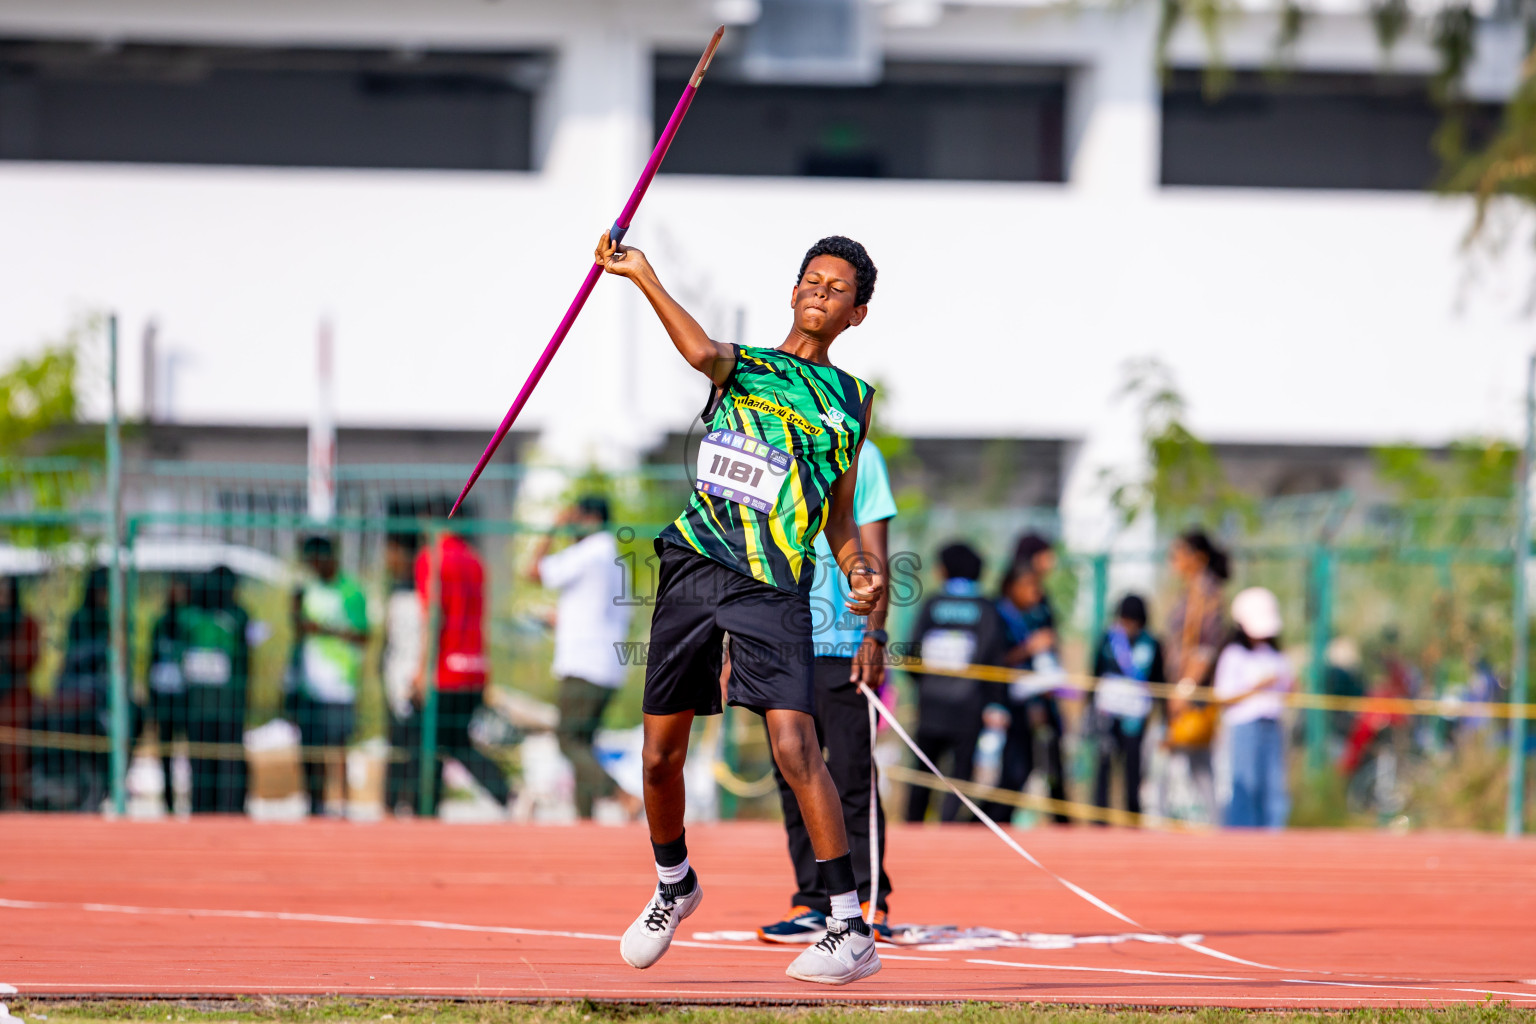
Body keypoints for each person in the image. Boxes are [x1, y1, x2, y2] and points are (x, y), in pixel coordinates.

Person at [594, 230, 886, 985]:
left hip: (771, 583)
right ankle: (673, 883)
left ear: (857, 314)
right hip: (695, 565)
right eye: (812, 281)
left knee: (796, 747)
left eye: (839, 288)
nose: (822, 291)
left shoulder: (851, 403)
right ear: (793, 292)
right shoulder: (747, 366)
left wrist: (859, 571)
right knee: (660, 757)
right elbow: (699, 354)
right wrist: (645, 278)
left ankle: (849, 926)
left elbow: (840, 516)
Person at [758, 440, 897, 944]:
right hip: (777, 639)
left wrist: (874, 635)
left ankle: (868, 897)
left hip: (842, 642)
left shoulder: (863, 455)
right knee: (791, 771)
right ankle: (813, 902)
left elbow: (875, 553)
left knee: (852, 774)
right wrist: (735, 645)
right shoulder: (767, 447)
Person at [528, 495, 636, 820]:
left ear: (589, 519)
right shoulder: (613, 557)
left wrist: (551, 529)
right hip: (607, 663)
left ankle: (621, 795)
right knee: (583, 743)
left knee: (567, 739)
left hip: (584, 664)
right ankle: (584, 819)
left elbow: (532, 571)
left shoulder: (589, 552)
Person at [408, 510, 512, 814]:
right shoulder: (475, 561)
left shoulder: (433, 557)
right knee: (454, 742)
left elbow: (434, 616)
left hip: (444, 670)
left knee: (422, 740)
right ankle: (507, 793)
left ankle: (420, 808)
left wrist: (421, 671)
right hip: (474, 667)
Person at [904, 542, 1009, 824]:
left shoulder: (933, 604)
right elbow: (994, 657)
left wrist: (924, 684)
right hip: (969, 704)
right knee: (960, 774)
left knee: (922, 771)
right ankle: (947, 827)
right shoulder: (986, 609)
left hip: (931, 703)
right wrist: (996, 701)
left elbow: (910, 652)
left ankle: (911, 827)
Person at [987, 562, 1069, 824]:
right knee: (1013, 771)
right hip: (1003, 705)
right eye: (1030, 586)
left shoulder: (1036, 616)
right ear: (1012, 587)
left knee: (1039, 767)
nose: (1037, 592)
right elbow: (993, 660)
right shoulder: (997, 615)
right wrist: (1029, 648)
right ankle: (984, 822)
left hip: (1034, 702)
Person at [294, 535, 368, 817]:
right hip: (309, 684)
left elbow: (363, 635)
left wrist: (324, 630)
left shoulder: (351, 591)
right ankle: (314, 805)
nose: (311, 566)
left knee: (338, 747)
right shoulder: (306, 590)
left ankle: (344, 804)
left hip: (340, 684)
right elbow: (299, 631)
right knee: (310, 749)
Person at [1160, 527, 1228, 822]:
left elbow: (1204, 650)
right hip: (1179, 688)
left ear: (1197, 558)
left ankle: (1209, 830)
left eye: (1178, 553)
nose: (1173, 559)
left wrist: (1184, 691)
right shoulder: (1192, 590)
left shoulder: (1205, 594)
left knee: (1183, 763)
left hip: (1190, 692)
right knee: (1193, 767)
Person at [1214, 587, 1293, 828]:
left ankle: (1272, 836)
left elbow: (1288, 691)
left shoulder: (1276, 656)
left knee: (1273, 785)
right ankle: (1241, 838)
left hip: (1272, 724)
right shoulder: (1233, 655)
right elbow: (1223, 696)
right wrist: (1257, 686)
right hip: (1244, 726)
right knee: (1245, 783)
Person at [1087, 594, 1164, 820]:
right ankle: (1099, 818)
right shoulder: (1107, 640)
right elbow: (1094, 673)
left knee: (1133, 769)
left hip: (1136, 717)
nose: (1128, 626)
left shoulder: (1152, 644)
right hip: (1107, 714)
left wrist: (1163, 717)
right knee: (1104, 766)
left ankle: (1133, 817)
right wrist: (1088, 710)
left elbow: (1159, 680)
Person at [181, 567, 250, 813]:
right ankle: (201, 810)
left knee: (230, 763)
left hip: (229, 706)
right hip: (199, 707)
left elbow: (245, 658)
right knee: (201, 763)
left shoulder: (239, 616)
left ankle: (232, 810)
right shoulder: (189, 617)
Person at [382, 530, 423, 814]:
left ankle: (417, 805)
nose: (388, 559)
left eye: (393, 551)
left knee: (415, 747)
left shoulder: (423, 589)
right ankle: (391, 804)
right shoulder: (394, 589)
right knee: (395, 744)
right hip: (394, 678)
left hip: (414, 678)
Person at [145, 573, 193, 813]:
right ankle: (168, 801)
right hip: (164, 695)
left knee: (192, 749)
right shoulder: (160, 623)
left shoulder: (190, 623)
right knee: (164, 750)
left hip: (186, 696)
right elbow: (151, 662)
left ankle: (194, 800)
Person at [0, 576, 40, 810]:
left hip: (14, 696)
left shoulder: (26, 623)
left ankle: (14, 799)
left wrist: (7, 655)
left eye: (5, 592)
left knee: (13, 746)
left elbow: (29, 658)